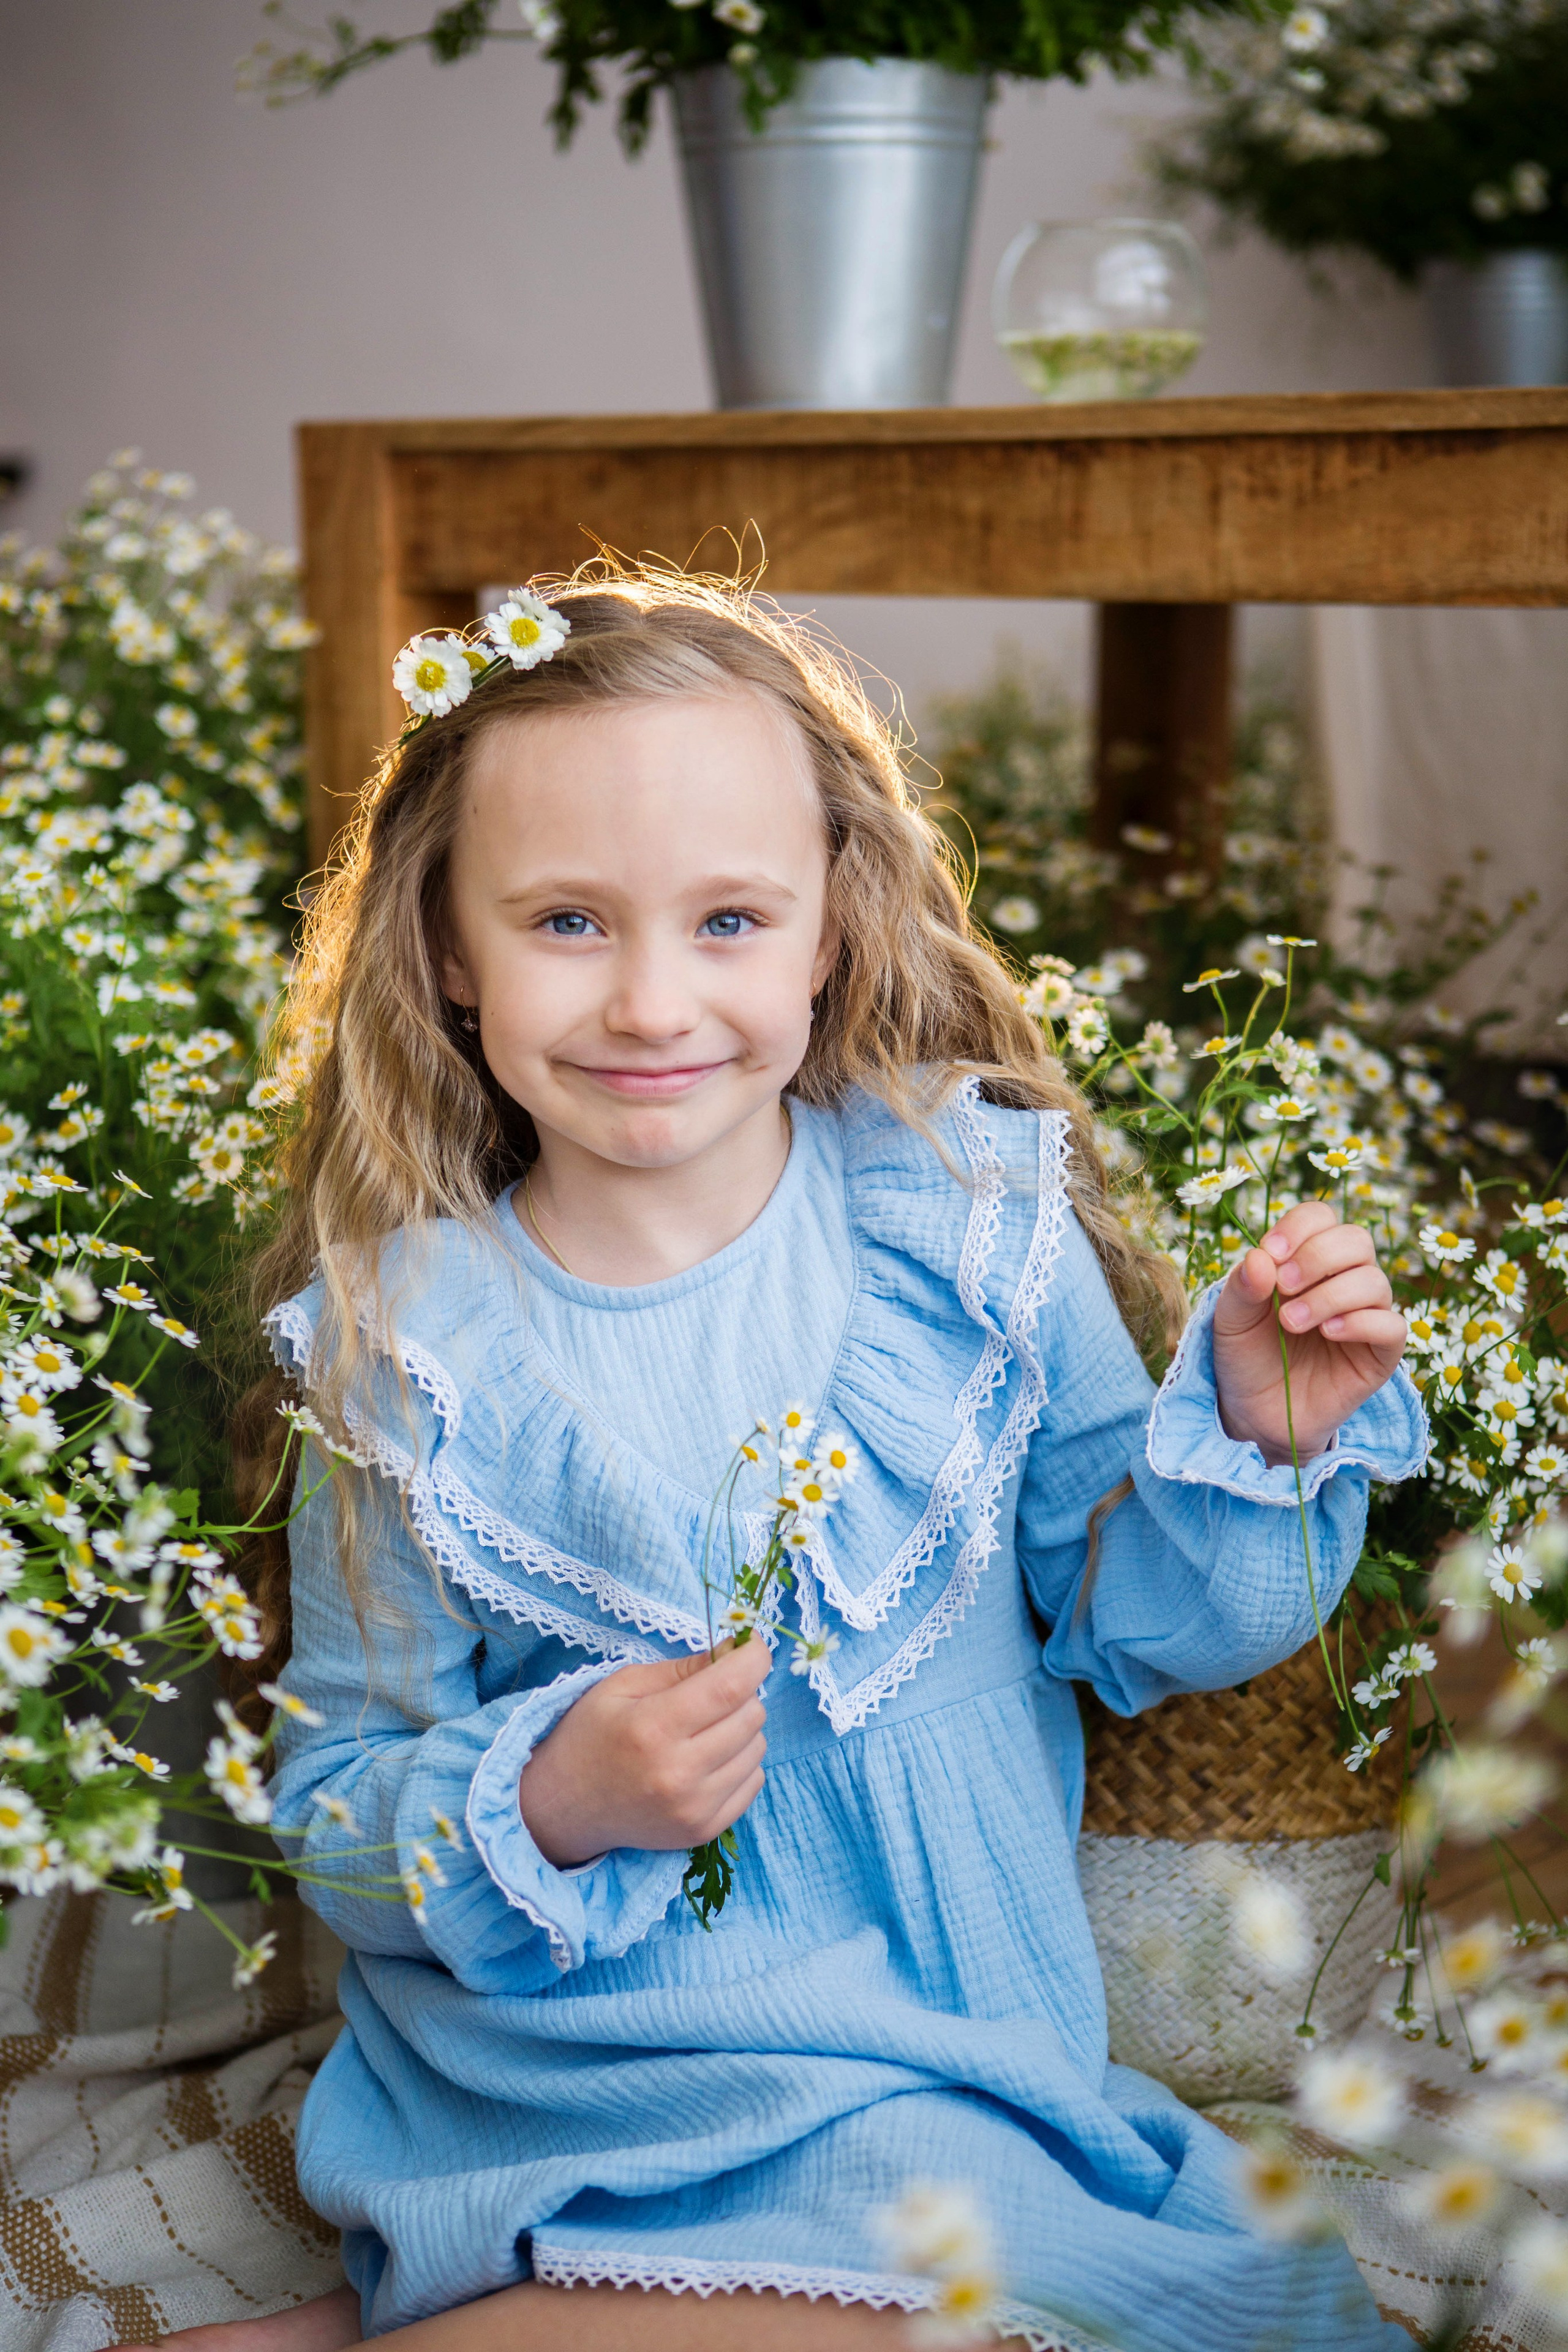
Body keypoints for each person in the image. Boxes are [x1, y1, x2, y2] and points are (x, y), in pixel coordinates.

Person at [164, 576, 1425, 2352]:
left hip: (937, 2071)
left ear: (834, 923)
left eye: (732, 918)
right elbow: (337, 1813)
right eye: (568, 922)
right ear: (447, 948)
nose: (654, 999)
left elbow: (1139, 1625)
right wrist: (548, 1796)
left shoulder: (970, 1228)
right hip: (567, 2094)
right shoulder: (405, 1349)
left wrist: (1257, 1441)